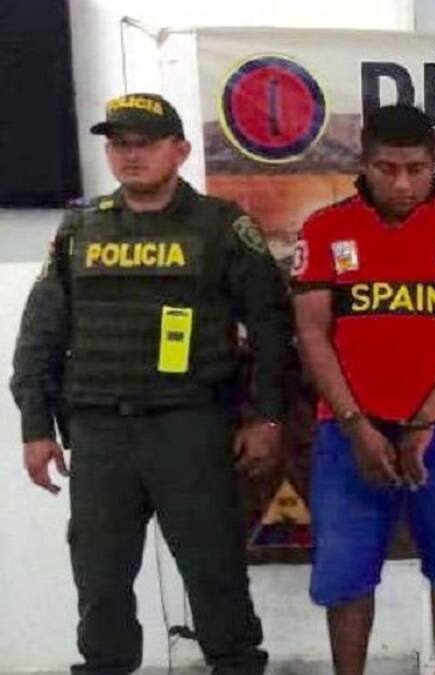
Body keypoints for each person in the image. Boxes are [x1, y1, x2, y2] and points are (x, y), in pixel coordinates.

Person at [10, 93, 289, 674]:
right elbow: (40, 333)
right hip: (100, 433)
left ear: (179, 150)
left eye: (145, 143)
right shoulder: (81, 227)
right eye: (119, 145)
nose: (130, 155)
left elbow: (270, 329)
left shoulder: (221, 226)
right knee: (100, 582)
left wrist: (266, 417)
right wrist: (36, 427)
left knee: (215, 573)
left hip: (190, 428)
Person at [292, 104, 435, 675]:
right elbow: (311, 332)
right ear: (364, 164)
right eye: (387, 168)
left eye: (417, 169)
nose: (404, 183)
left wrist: (426, 418)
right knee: (344, 576)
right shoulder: (325, 229)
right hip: (349, 430)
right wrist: (355, 423)